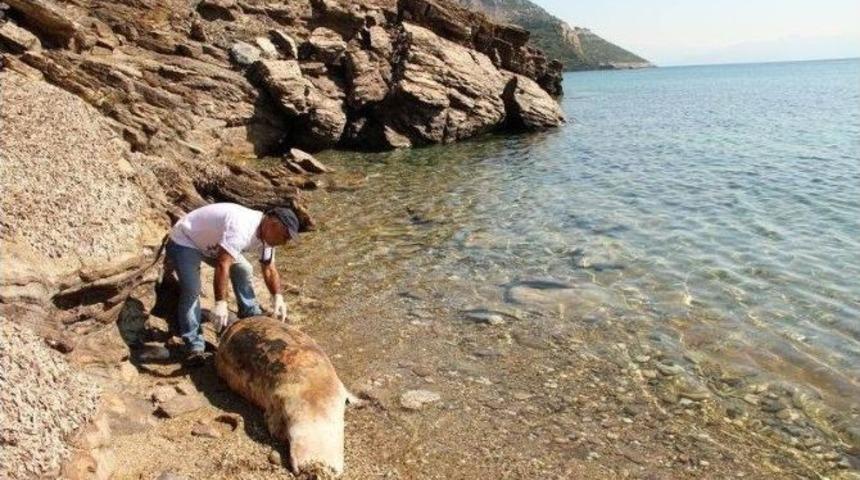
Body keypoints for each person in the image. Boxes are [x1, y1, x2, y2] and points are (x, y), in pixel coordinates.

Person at [165, 202, 300, 366]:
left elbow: (269, 268)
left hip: (212, 245)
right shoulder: (243, 227)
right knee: (192, 290)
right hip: (186, 240)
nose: (285, 242)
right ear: (273, 224)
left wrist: (277, 296)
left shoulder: (267, 237)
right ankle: (194, 345)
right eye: (285, 236)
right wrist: (220, 303)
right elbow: (223, 264)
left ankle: (250, 313)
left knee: (244, 268)